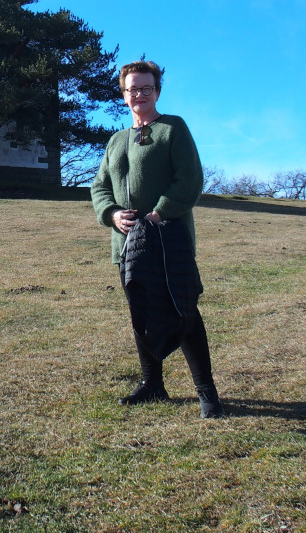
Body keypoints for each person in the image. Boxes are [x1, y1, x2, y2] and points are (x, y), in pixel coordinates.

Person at [90, 60, 224, 418]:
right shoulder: (116, 140)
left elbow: (190, 180)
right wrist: (112, 214)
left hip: (168, 242)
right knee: (141, 314)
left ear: (157, 92)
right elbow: (99, 186)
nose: (138, 94)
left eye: (145, 88)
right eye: (132, 89)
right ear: (123, 95)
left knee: (184, 313)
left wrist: (158, 213)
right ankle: (153, 384)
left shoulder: (173, 129)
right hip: (127, 247)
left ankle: (207, 392)